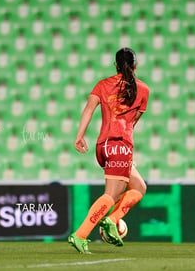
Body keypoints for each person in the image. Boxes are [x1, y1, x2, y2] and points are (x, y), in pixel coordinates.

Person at [68, 48, 149, 254]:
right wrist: (125, 152)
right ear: (136, 66)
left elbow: (89, 108)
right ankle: (81, 234)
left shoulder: (103, 84)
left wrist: (79, 135)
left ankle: (112, 220)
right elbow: (132, 124)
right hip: (120, 145)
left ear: (115, 65)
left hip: (103, 146)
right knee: (112, 195)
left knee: (139, 187)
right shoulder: (143, 90)